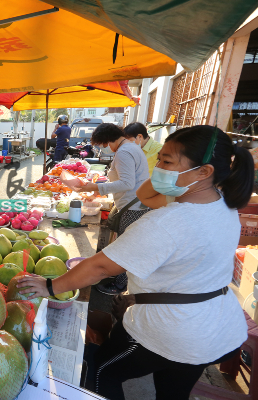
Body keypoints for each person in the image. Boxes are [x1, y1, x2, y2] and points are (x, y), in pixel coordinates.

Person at [18, 125, 253, 400]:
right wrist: (166, 173)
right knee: (172, 393)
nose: (158, 168)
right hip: (212, 325)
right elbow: (145, 196)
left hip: (171, 329)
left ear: (204, 171)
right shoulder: (220, 203)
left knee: (101, 371)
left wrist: (49, 286)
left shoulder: (168, 222)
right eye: (160, 158)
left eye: (166, 162)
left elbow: (100, 267)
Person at [64, 123, 149, 295]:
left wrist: (94, 188)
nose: (104, 148)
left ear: (109, 139)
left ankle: (120, 284)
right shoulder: (131, 147)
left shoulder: (124, 152)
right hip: (135, 202)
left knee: (127, 246)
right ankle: (118, 278)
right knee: (127, 244)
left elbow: (127, 183)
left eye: (104, 144)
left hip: (133, 207)